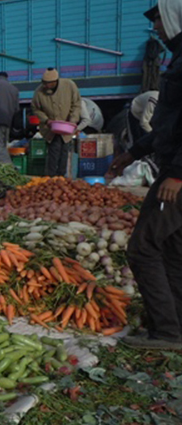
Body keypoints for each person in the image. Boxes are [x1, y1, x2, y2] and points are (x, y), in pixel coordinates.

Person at [106, 0, 182, 350]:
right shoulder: (177, 58)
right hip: (171, 167)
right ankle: (175, 325)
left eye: (160, 23)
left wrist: (178, 174)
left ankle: (166, 331)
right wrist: (133, 152)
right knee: (171, 248)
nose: (158, 31)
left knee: (142, 248)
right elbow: (169, 126)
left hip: (176, 176)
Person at [31, 67, 81, 177]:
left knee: (64, 151)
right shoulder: (39, 92)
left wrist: (73, 120)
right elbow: (35, 108)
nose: (46, 86)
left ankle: (61, 177)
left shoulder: (69, 85)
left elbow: (76, 104)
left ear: (55, 82)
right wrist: (46, 120)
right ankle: (51, 177)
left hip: (66, 127)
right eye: (44, 83)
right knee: (54, 151)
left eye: (48, 84)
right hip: (50, 129)